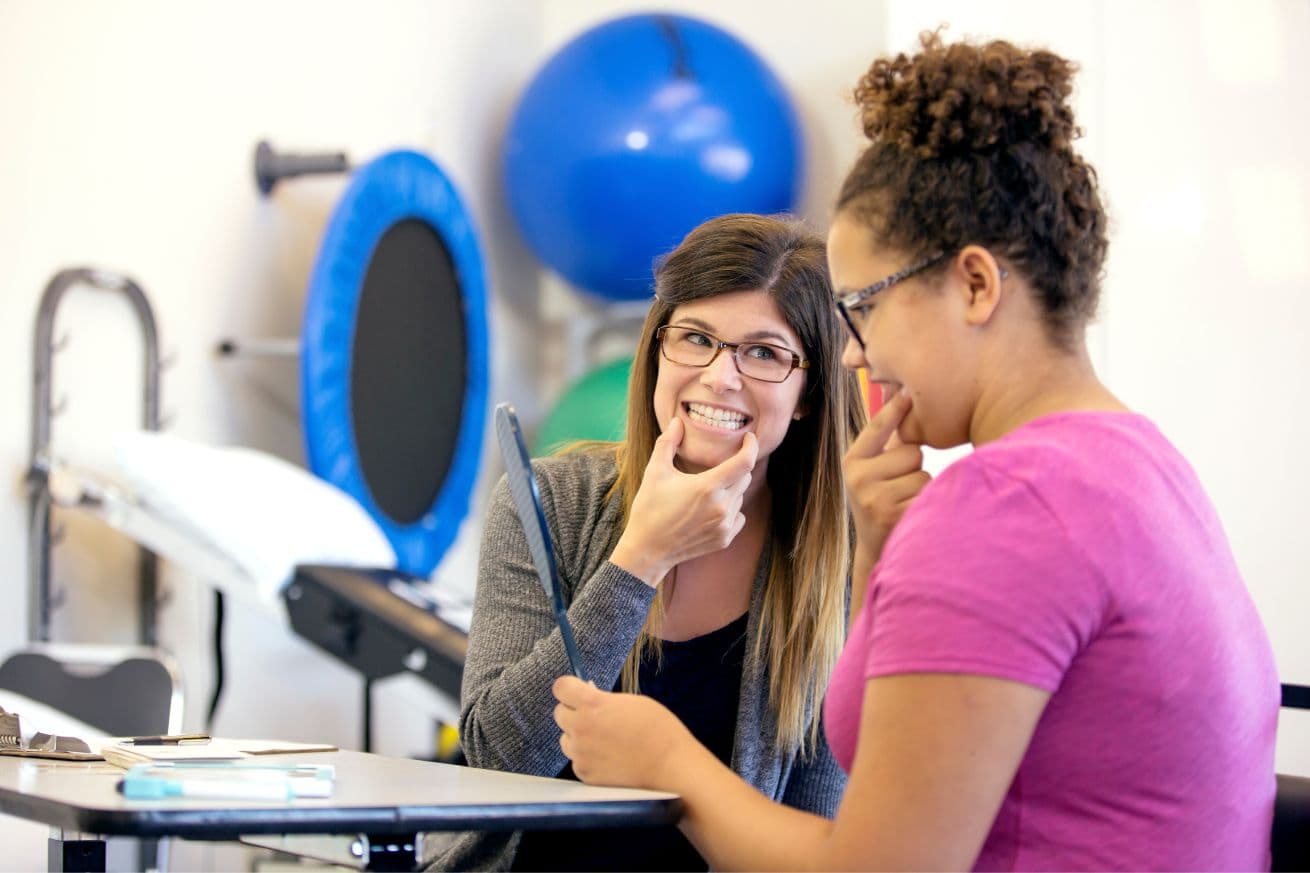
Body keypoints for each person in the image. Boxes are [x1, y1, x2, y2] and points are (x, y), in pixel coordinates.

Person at [552, 32, 1279, 871]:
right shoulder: (1137, 463)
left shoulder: (1006, 506)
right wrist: (880, 556)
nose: (856, 353)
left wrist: (668, 764)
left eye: (862, 308)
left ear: (974, 284)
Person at [433, 213, 865, 871]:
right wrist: (640, 559)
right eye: (696, 338)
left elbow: (810, 838)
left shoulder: (836, 559)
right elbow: (497, 760)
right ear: (658, 349)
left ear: (807, 393)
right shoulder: (555, 499)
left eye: (764, 352)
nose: (721, 377)